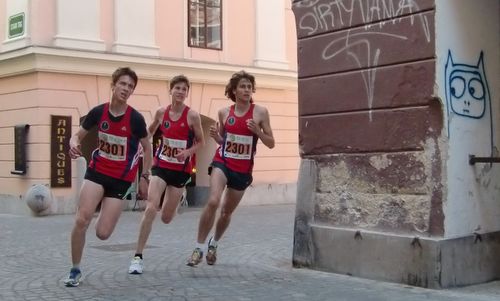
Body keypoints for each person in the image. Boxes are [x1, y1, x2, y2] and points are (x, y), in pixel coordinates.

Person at [64, 67, 152, 287]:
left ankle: (105, 207)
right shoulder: (98, 112)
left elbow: (147, 148)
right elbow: (77, 135)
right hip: (97, 172)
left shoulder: (135, 119)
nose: (126, 89)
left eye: (130, 86)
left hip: (120, 180)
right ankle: (75, 270)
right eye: (123, 84)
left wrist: (145, 176)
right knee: (81, 219)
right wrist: (73, 144)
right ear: (113, 85)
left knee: (103, 233)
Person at [187, 70, 275, 266]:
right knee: (213, 201)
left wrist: (257, 132)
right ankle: (198, 248)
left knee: (226, 212)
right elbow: (223, 141)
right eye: (242, 86)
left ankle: (214, 243)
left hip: (242, 169)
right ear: (234, 90)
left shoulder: (260, 112)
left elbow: (271, 143)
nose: (246, 90)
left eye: (249, 87)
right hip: (223, 162)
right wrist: (217, 138)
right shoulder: (224, 112)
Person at [128, 75, 205, 274]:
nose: (180, 92)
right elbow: (150, 131)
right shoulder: (162, 112)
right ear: (170, 90)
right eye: (177, 88)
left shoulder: (192, 116)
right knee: (151, 207)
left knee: (167, 217)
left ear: (187, 93)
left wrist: (187, 152)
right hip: (161, 165)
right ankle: (138, 256)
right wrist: (142, 139)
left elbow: (201, 142)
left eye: (184, 89)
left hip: (180, 171)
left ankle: (176, 200)